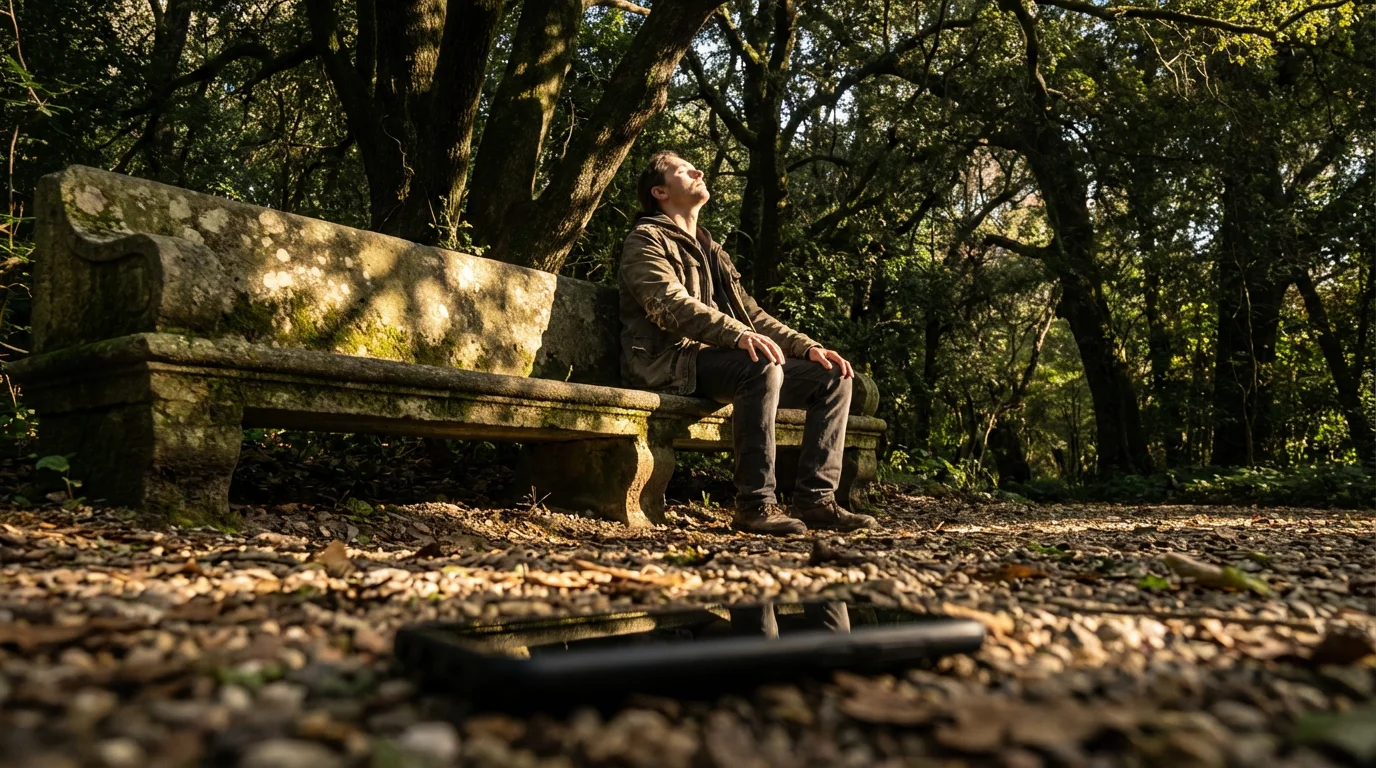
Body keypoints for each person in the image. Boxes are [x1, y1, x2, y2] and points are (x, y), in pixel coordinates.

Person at [618, 150, 879, 536]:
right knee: (760, 366)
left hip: (717, 361)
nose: (698, 171)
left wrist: (805, 346)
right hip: (671, 362)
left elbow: (752, 315)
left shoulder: (713, 251)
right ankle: (755, 505)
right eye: (683, 170)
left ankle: (816, 501)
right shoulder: (645, 240)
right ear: (660, 191)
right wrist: (737, 335)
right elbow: (669, 305)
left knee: (833, 376)